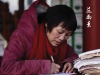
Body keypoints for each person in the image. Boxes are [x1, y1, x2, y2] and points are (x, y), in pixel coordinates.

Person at [1, 0, 78, 74]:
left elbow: (73, 56)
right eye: (59, 32)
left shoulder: (61, 43)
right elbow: (6, 68)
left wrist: (69, 63)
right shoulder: (21, 36)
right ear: (47, 24)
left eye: (67, 34)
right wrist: (43, 66)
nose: (62, 38)